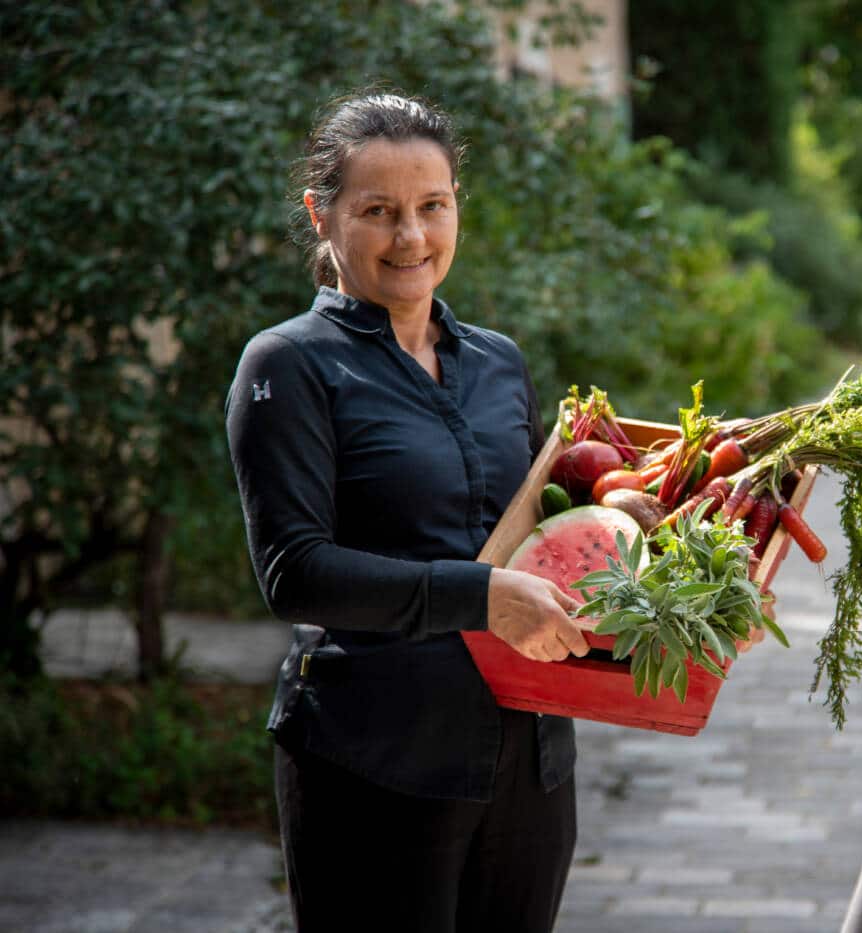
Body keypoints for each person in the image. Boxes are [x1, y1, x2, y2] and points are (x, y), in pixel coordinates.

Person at [226, 92, 592, 933]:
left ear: (458, 200)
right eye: (378, 212)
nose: (412, 238)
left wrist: (657, 547)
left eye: (433, 206)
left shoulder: (499, 362)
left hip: (530, 763)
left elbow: (538, 536)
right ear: (323, 215)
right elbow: (295, 573)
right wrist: (479, 597)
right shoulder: (287, 365)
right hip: (374, 764)